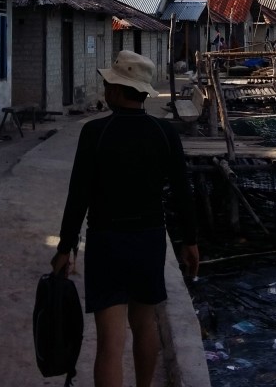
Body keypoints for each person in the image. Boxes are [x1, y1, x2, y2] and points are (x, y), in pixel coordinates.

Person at [52, 50, 199, 387]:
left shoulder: (95, 132)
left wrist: (65, 247)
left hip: (106, 241)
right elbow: (181, 193)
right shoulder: (165, 133)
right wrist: (190, 242)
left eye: (108, 85)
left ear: (117, 91)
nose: (106, 90)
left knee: (109, 344)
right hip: (148, 240)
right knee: (145, 325)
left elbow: (79, 196)